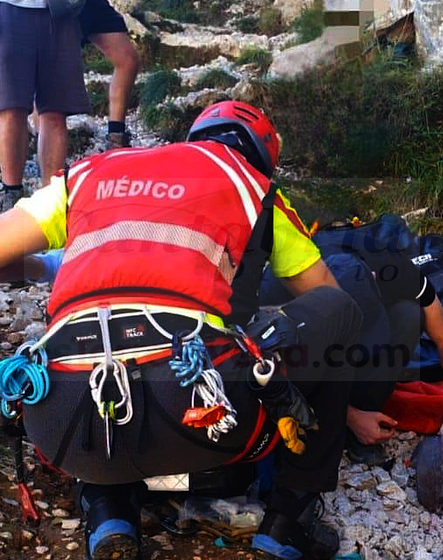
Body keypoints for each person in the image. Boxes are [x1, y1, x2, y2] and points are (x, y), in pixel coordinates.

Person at [0, 100, 362, 560]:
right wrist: (338, 407)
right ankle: (289, 520)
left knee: (99, 353)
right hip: (201, 420)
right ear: (260, 155)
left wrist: (42, 269)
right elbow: (326, 301)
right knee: (339, 310)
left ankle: (108, 504)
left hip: (62, 426)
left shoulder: (90, 173)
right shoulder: (252, 186)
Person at [261, 218, 443, 466]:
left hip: (349, 306)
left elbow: (434, 313)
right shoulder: (276, 296)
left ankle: (365, 415)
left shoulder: (386, 264)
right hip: (293, 371)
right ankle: (338, 429)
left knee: (408, 313)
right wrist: (352, 417)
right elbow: (275, 382)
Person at [0, 0, 91, 210]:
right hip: (9, 8)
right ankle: (11, 194)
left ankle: (51, 201)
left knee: (56, 111)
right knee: (11, 108)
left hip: (60, 12)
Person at [78, 0, 140, 148]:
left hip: (90, 4)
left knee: (128, 60)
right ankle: (41, 147)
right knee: (51, 75)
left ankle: (116, 139)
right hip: (58, 7)